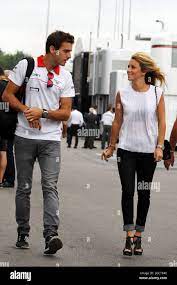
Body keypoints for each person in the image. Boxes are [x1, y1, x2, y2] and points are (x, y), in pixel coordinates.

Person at [2, 30, 75, 254]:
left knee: (49, 186)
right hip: (24, 137)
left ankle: (51, 234)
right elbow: (7, 95)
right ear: (53, 49)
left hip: (50, 141)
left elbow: (66, 113)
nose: (69, 56)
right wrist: (27, 111)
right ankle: (23, 231)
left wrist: (41, 113)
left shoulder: (66, 76)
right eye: (66, 51)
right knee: (23, 188)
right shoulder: (28, 66)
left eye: (71, 51)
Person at [101, 52, 166, 256]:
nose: (128, 70)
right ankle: (129, 237)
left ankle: (139, 235)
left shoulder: (156, 93)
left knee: (144, 194)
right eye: (128, 67)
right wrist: (111, 146)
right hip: (126, 150)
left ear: (143, 71)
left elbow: (162, 122)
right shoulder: (122, 93)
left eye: (133, 67)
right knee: (128, 191)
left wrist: (159, 147)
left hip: (148, 152)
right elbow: (117, 121)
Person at [0, 66, 8, 187]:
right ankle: (0, 180)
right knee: (3, 152)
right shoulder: (8, 85)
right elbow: (6, 106)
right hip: (5, 121)